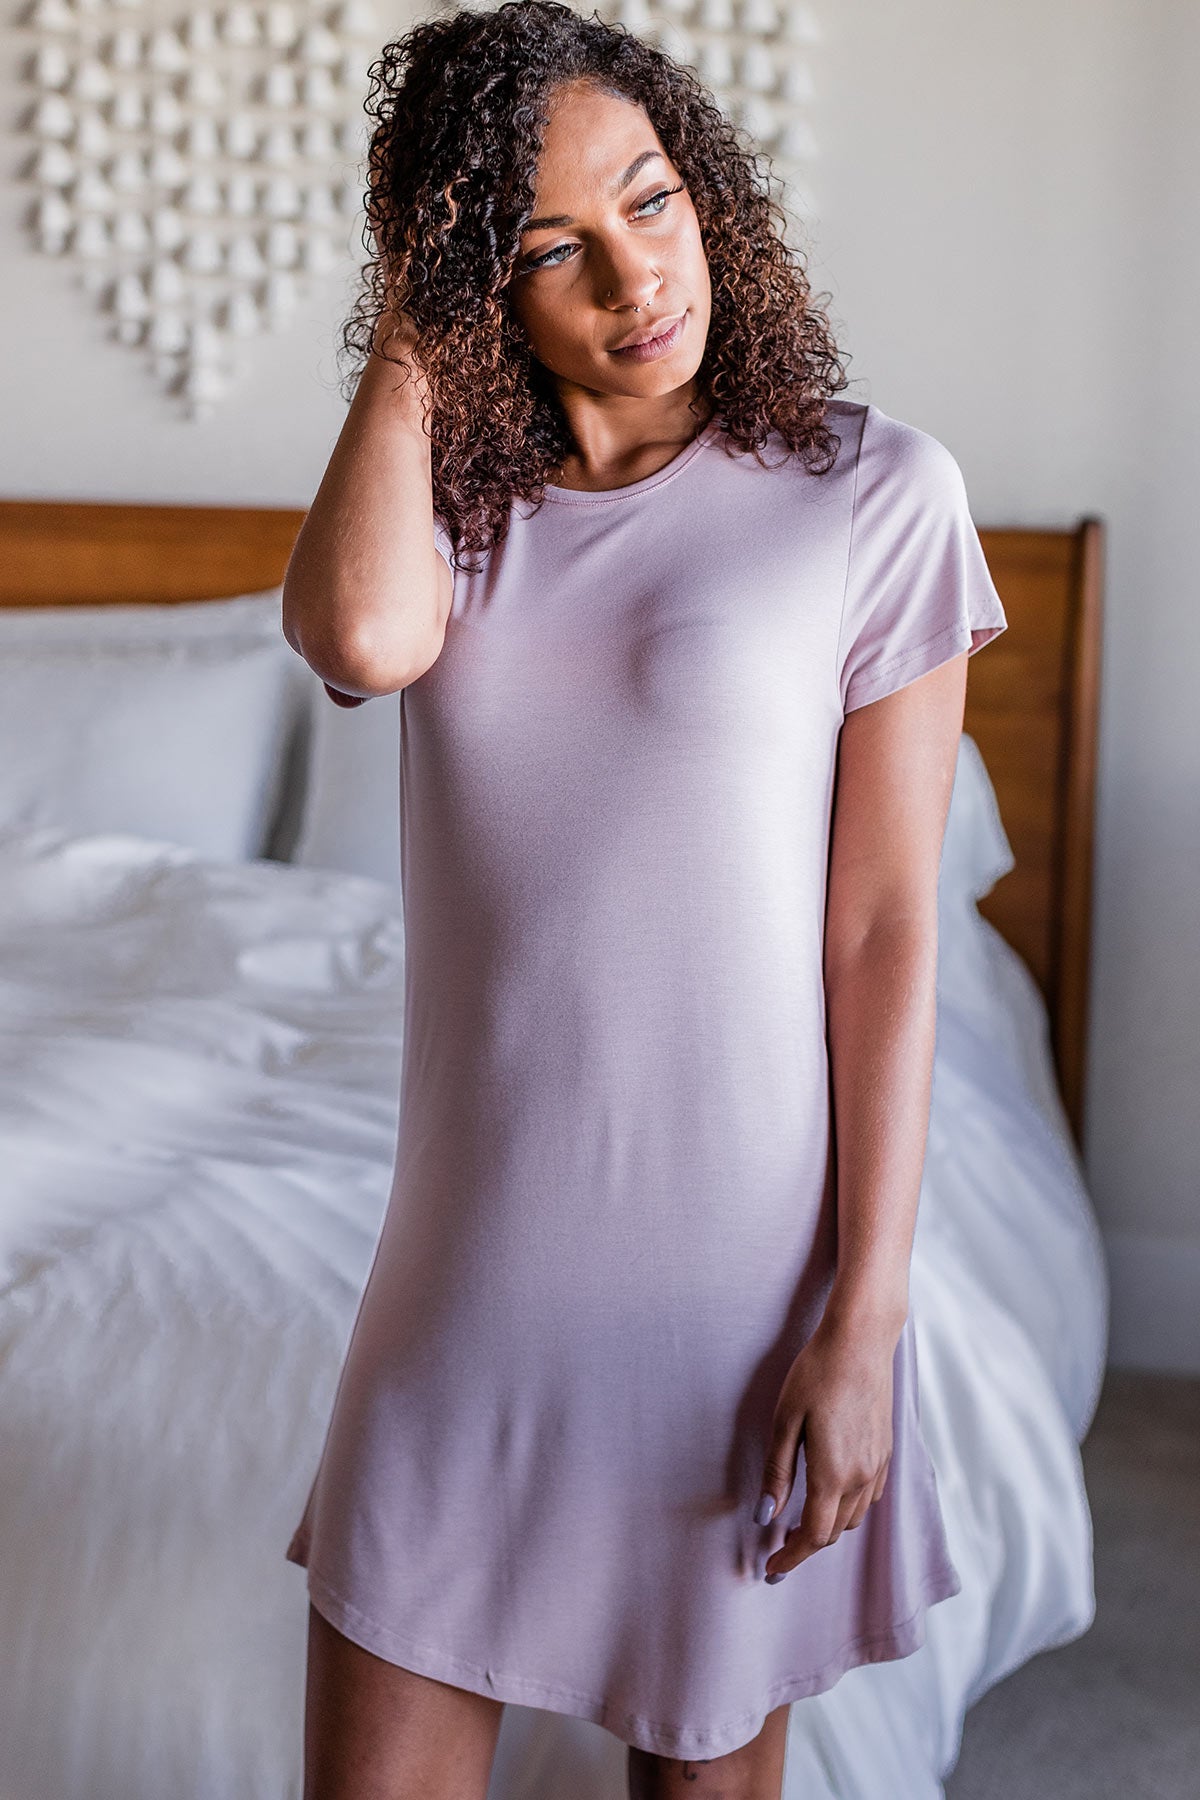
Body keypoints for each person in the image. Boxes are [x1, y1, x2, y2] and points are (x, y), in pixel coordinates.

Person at [280, 3, 1008, 1795]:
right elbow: (359, 638)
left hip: (729, 1292)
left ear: (712, 199)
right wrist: (411, 310)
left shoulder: (870, 494)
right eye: (549, 247)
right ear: (473, 283)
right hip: (466, 1280)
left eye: (654, 202)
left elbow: (886, 924)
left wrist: (866, 1314)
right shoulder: (454, 519)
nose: (633, 277)